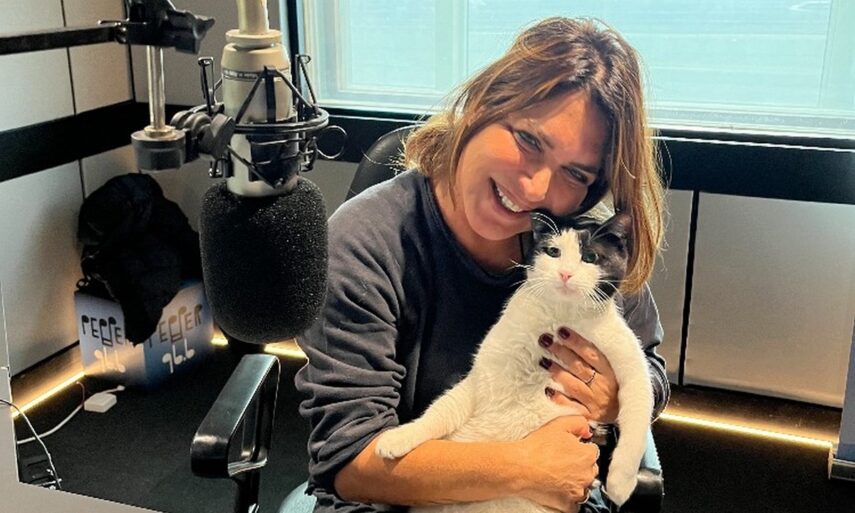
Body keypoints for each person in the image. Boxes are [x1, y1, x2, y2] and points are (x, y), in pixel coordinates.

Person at [295, 16, 669, 513]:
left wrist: (615, 397)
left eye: (575, 174)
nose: (535, 188)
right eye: (529, 140)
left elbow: (652, 369)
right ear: (480, 105)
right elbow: (350, 464)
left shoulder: (585, 245)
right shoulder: (366, 241)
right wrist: (525, 467)